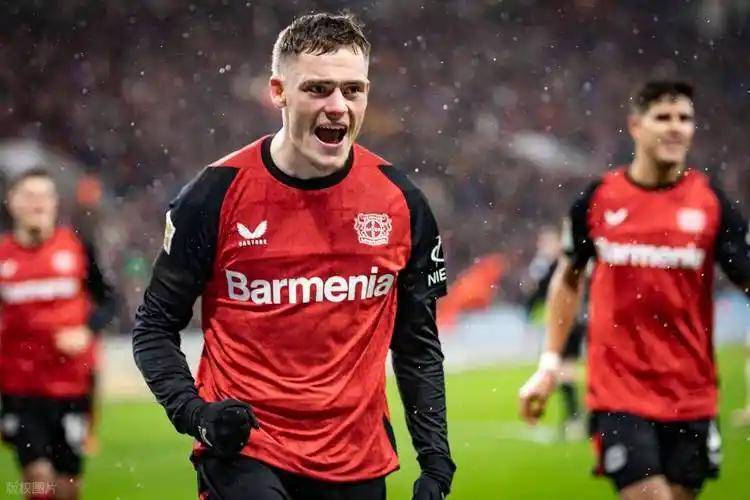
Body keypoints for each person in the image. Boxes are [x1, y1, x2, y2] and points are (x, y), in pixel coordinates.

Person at [132, 12, 454, 500]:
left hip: (357, 461)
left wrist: (435, 462)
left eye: (352, 90)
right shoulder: (214, 194)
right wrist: (197, 415)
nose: (338, 107)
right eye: (318, 89)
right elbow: (154, 326)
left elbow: (416, 346)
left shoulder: (402, 202)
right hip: (248, 453)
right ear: (278, 92)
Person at [518, 81, 750, 500]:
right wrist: (549, 363)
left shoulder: (710, 202)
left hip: (691, 395)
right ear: (636, 126)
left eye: (684, 118)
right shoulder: (599, 198)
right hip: (619, 395)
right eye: (663, 117)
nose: (675, 127)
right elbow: (568, 277)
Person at [0, 168, 116, 500]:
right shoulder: (3, 256)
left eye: (43, 196)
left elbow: (108, 300)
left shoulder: (77, 247)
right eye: (28, 196)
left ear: (54, 203)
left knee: (67, 486)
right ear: (12, 203)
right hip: (19, 388)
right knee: (38, 479)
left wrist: (86, 331)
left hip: (71, 385)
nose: (37, 203)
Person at [524, 226, 586, 440]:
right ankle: (575, 419)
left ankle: (575, 418)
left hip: (567, 323)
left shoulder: (558, 266)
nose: (545, 247)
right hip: (568, 322)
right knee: (565, 370)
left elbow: (541, 292)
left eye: (548, 242)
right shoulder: (554, 265)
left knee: (563, 370)